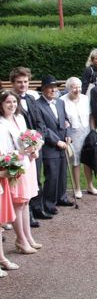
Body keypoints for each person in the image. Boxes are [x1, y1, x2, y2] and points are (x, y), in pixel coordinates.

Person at [0, 91, 41, 254]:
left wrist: (34, 148)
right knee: (18, 202)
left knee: (26, 202)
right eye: (8, 102)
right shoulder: (1, 124)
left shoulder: (20, 118)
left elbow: (27, 138)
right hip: (15, 165)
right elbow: (4, 150)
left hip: (27, 163)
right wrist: (22, 153)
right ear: (1, 104)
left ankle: (28, 237)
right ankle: (21, 240)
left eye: (14, 102)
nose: (12, 105)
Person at [9, 67, 46, 225]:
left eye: (25, 82)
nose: (23, 85)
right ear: (13, 83)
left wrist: (38, 140)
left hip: (35, 146)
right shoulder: (9, 101)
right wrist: (27, 145)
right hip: (20, 148)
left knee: (36, 179)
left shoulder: (31, 99)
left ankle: (37, 208)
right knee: (21, 183)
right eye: (19, 82)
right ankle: (25, 214)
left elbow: (39, 122)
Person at [35, 75, 75, 211]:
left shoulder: (60, 103)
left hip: (64, 143)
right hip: (49, 146)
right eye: (50, 87)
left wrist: (68, 136)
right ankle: (49, 203)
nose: (53, 90)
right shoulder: (37, 105)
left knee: (62, 173)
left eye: (55, 87)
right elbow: (42, 128)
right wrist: (57, 141)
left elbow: (66, 121)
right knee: (52, 175)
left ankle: (61, 197)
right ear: (43, 89)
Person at [61, 77, 97, 198]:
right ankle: (77, 188)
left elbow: (91, 116)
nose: (77, 89)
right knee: (76, 162)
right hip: (72, 134)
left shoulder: (85, 98)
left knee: (88, 160)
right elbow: (62, 120)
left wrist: (93, 131)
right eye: (73, 87)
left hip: (87, 132)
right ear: (68, 88)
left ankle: (90, 185)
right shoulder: (62, 101)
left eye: (78, 87)